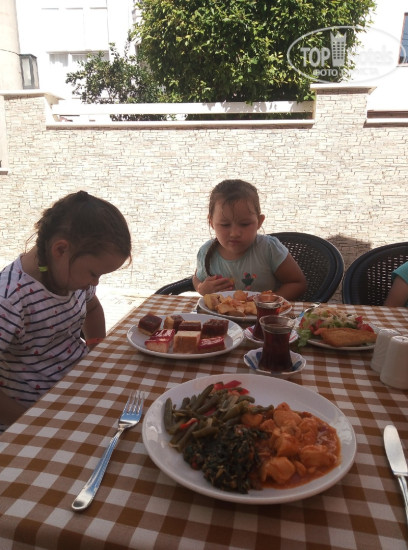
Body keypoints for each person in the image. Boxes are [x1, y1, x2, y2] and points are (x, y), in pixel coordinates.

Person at [0, 191, 132, 431]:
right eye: (94, 273)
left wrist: (95, 347)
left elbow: (93, 308)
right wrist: (29, 423)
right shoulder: (9, 299)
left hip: (76, 394)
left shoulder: (70, 278)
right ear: (61, 250)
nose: (95, 283)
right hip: (32, 418)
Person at [193, 179, 307, 297]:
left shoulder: (269, 249)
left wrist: (270, 300)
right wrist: (201, 288)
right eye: (225, 225)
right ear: (211, 222)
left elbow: (297, 283)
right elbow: (196, 278)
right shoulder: (206, 251)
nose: (234, 233)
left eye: (244, 224)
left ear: (259, 222)